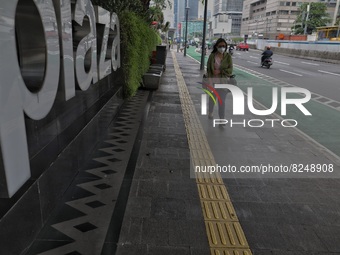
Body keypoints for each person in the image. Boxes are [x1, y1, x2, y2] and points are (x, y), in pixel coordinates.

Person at [206, 38, 235, 121]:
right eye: (220, 46)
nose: (222, 48)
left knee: (222, 101)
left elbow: (230, 70)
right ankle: (210, 112)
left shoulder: (228, 56)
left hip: (223, 83)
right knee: (212, 99)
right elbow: (209, 70)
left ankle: (222, 119)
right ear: (216, 46)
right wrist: (210, 82)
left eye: (224, 46)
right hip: (213, 82)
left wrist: (220, 71)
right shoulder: (212, 56)